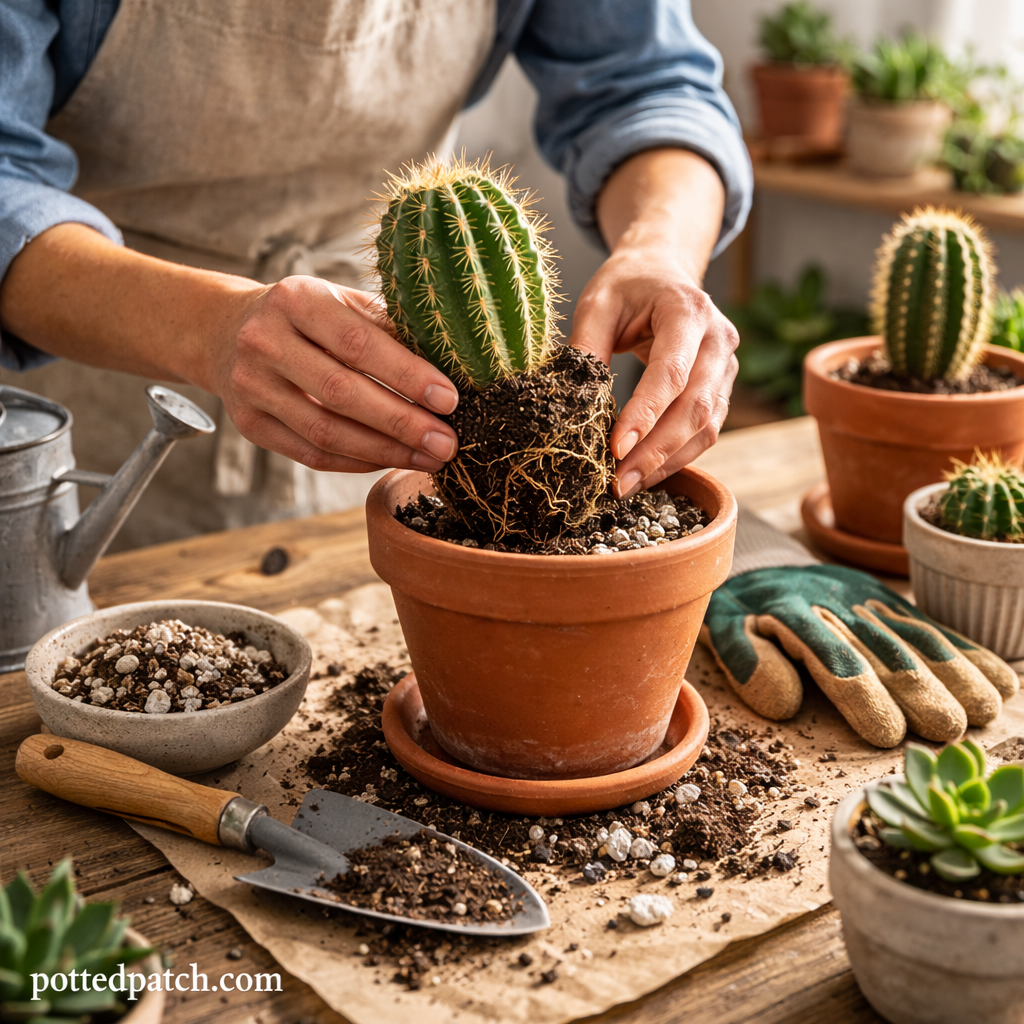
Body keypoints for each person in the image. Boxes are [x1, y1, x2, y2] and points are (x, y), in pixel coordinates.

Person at [0, 0, 751, 544]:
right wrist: (209, 328)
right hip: (108, 400)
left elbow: (647, 83)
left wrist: (661, 248)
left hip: (401, 389)